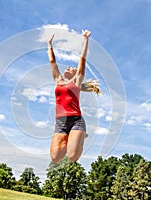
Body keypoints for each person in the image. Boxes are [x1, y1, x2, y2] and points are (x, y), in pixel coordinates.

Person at [48, 30, 101, 163]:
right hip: (60, 122)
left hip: (75, 119)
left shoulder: (76, 81)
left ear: (76, 73)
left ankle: (80, 134)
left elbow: (82, 59)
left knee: (72, 157)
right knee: (55, 158)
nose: (69, 67)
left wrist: (85, 40)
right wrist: (49, 44)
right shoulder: (58, 80)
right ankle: (72, 137)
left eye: (72, 68)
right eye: (68, 67)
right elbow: (52, 61)